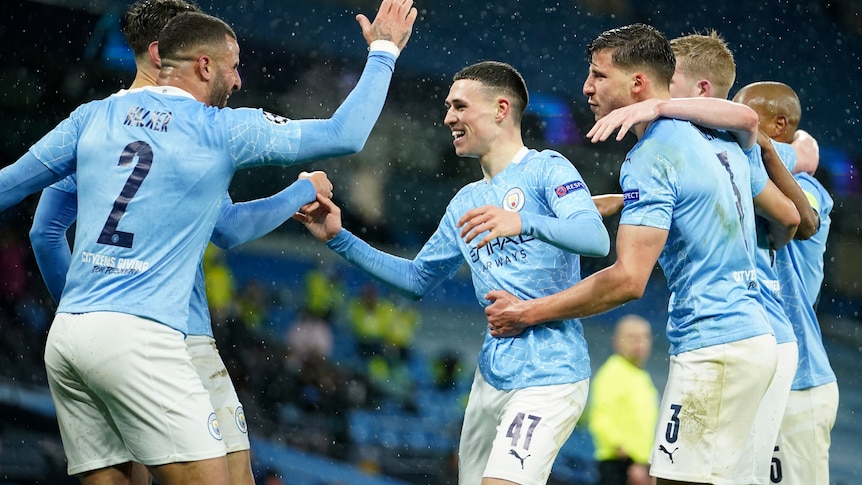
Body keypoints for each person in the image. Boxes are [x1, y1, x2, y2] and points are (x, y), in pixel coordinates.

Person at [0, 2, 417, 484]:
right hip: (151, 334)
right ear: (200, 63)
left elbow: (19, 200)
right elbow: (345, 135)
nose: (238, 81)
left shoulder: (93, 118)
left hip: (72, 332)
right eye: (234, 66)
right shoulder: (218, 130)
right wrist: (384, 50)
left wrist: (83, 313)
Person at [482, 24, 783, 485]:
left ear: (637, 84)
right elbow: (777, 191)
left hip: (715, 342)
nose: (587, 87)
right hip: (751, 336)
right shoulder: (718, 136)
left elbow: (628, 279)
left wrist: (528, 312)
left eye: (599, 76)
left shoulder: (653, 154)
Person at [297, 60, 610, 484]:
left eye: (460, 106)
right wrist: (338, 238)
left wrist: (523, 222)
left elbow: (595, 239)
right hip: (490, 377)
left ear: (501, 109)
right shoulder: (465, 202)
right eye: (447, 107)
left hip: (550, 375)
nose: (448, 118)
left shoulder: (547, 169)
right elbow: (415, 280)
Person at [734, 81, 839, 485]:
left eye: (748, 116)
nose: (738, 124)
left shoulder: (808, 188)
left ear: (778, 125)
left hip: (801, 381)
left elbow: (804, 219)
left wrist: (775, 153)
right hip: (762, 374)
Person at [587, 315, 658, 485]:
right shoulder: (612, 372)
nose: (639, 343)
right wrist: (630, 463)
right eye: (632, 337)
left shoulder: (642, 377)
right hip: (620, 466)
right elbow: (601, 420)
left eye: (644, 337)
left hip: (640, 464)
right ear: (617, 341)